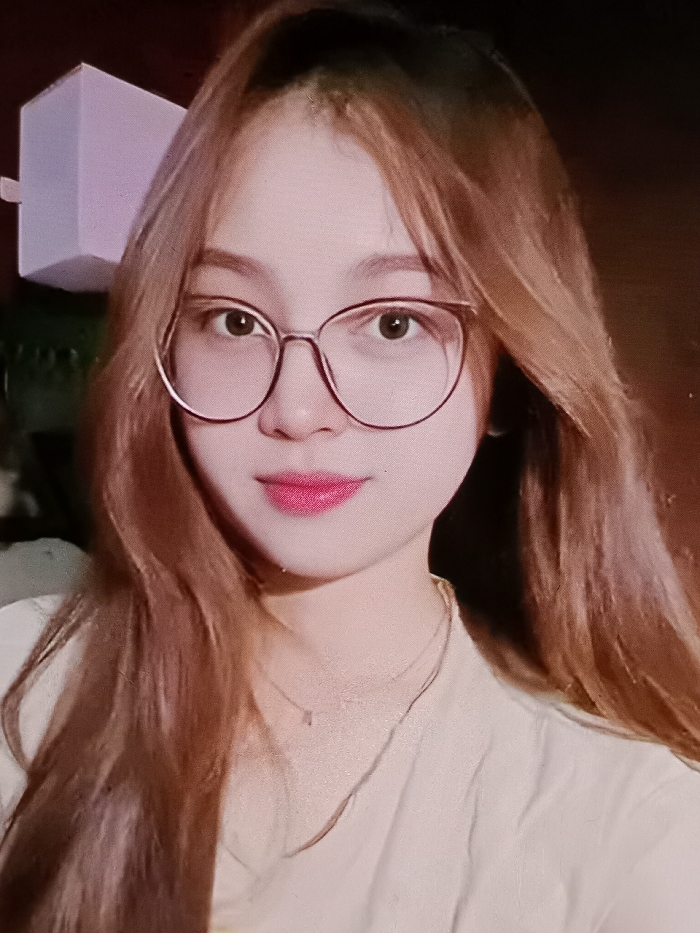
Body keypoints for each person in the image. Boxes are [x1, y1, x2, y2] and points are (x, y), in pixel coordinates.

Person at [1, 1, 699, 930]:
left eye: (394, 322)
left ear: (512, 372)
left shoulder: (623, 831)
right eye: (234, 319)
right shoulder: (26, 675)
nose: (296, 409)